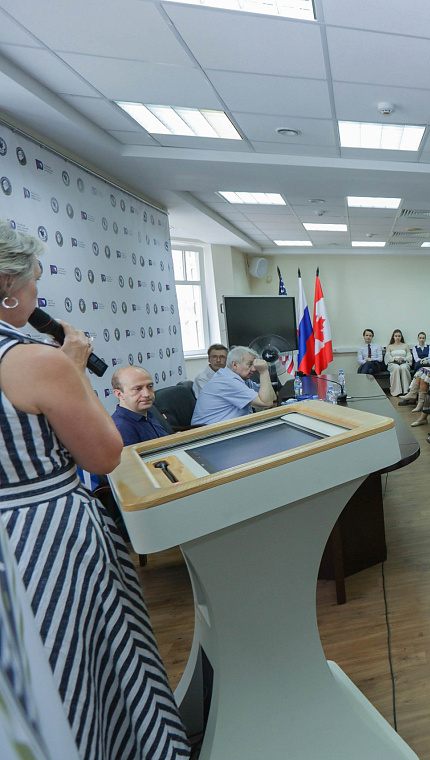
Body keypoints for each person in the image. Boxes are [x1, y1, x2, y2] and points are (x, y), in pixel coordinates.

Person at [0, 227, 189, 758]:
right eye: (35, 280)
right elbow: (103, 456)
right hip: (46, 538)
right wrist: (75, 368)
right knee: (89, 668)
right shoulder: (34, 361)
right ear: (8, 286)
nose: (39, 293)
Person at [192, 345, 275, 425]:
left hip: (226, 429)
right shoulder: (227, 381)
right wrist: (263, 372)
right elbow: (266, 403)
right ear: (234, 364)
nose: (254, 368)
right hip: (209, 433)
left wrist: (264, 373)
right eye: (250, 364)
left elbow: (272, 398)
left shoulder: (241, 378)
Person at [111, 366, 173, 445]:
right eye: (138, 389)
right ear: (119, 394)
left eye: (149, 387)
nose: (147, 394)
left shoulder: (148, 413)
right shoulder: (121, 428)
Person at [384, 329, 413, 396]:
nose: (397, 337)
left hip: (404, 362)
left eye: (399, 336)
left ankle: (406, 390)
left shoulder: (405, 345)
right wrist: (395, 359)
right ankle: (396, 391)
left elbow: (409, 356)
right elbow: (387, 357)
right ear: (393, 337)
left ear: (401, 337)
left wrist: (403, 358)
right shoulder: (390, 346)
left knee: (404, 368)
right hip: (393, 363)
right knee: (396, 368)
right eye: (396, 336)